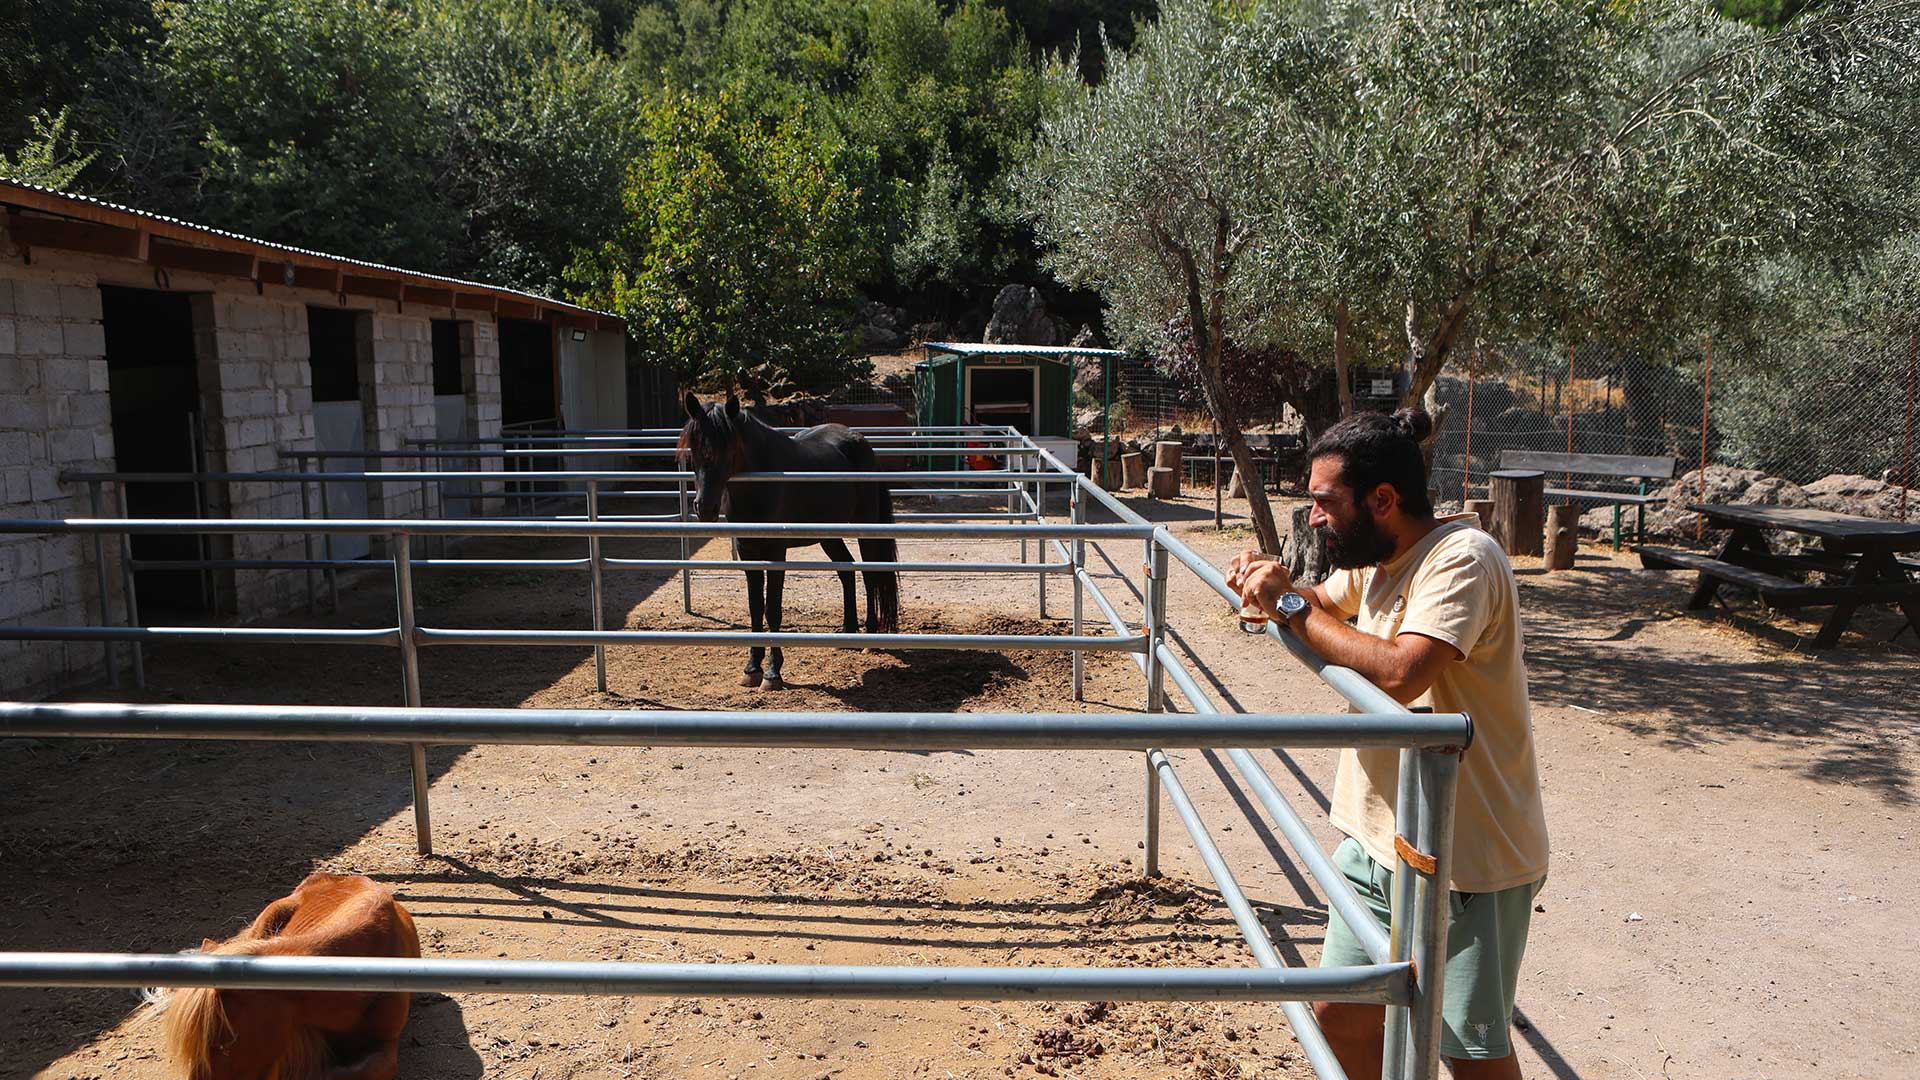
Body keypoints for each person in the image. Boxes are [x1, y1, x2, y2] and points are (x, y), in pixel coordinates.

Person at [1225, 408, 1548, 1079]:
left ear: (1383, 500)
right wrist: (1271, 590)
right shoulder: (1376, 559)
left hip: (1467, 859)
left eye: (1324, 502)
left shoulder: (1462, 559)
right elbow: (1320, 602)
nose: (1313, 517)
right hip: (1377, 846)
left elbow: (1403, 674)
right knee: (1340, 1015)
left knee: (1469, 1054)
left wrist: (1289, 608)